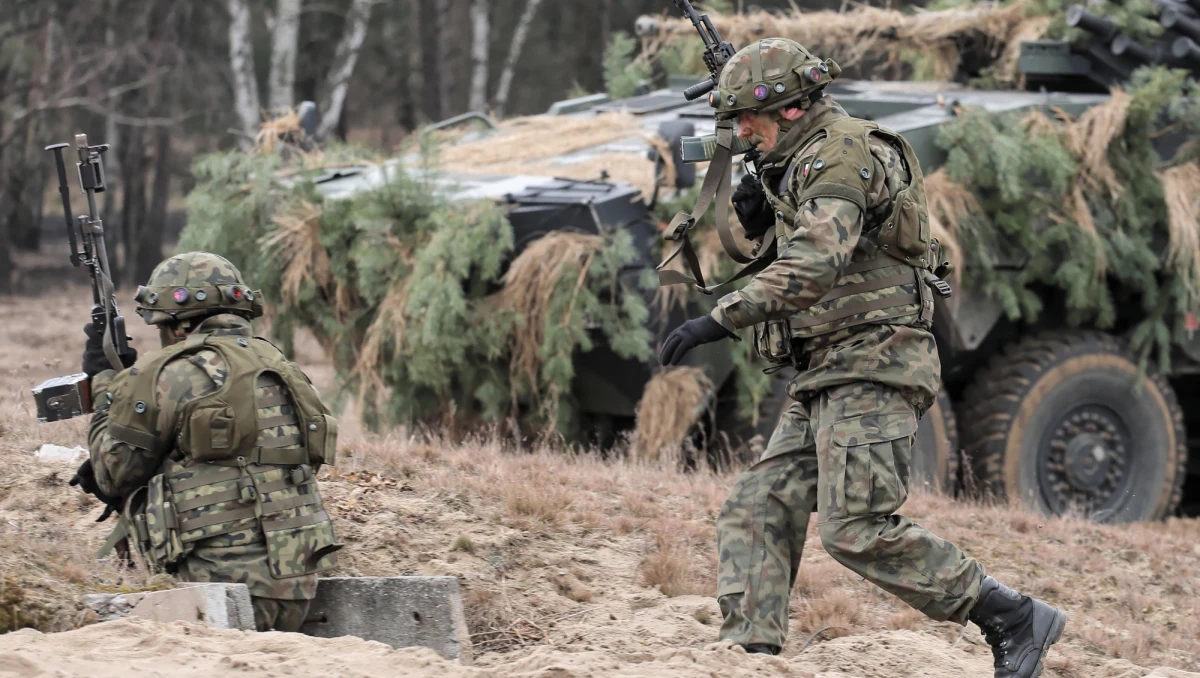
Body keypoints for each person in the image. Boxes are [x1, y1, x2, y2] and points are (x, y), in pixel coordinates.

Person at [658, 39, 1065, 678]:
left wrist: (717, 319)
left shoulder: (843, 153)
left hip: (874, 362)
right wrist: (765, 221)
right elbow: (821, 250)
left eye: (747, 119)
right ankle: (749, 657)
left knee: (855, 528)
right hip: (829, 369)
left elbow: (816, 266)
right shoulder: (802, 159)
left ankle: (1010, 616)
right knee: (759, 504)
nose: (741, 134)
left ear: (791, 109)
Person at [71, 251, 341, 632]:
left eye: (161, 326)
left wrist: (106, 386)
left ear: (179, 327)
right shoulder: (283, 367)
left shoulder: (170, 374)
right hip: (298, 590)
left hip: (216, 589)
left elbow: (112, 474)